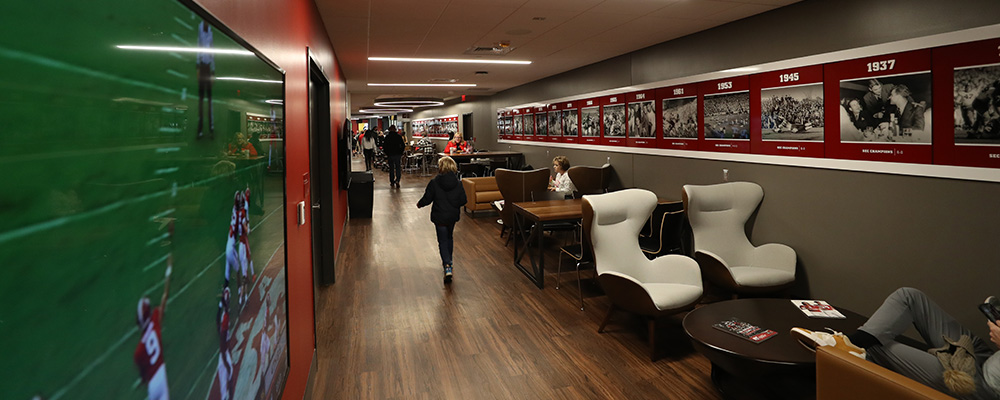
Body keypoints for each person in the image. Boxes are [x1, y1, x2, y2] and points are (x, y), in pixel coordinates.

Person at [792, 287, 1000, 399]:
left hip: (984, 388)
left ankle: (847, 347)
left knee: (875, 345)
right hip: (987, 356)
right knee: (909, 296)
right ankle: (849, 344)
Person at [416, 156, 467, 283]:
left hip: (439, 216)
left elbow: (427, 198)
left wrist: (420, 204)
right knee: (449, 238)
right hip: (452, 216)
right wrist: (454, 204)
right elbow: (463, 200)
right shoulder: (458, 183)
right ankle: (450, 261)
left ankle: (447, 265)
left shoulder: (434, 182)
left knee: (442, 240)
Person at [134, 254, 173, 400]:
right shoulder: (155, 318)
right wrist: (168, 271)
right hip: (162, 376)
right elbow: (164, 296)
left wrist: (143, 379)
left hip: (152, 384)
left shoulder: (138, 352)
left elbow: (144, 375)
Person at [196, 20, 214, 139]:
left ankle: (211, 126)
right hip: (202, 66)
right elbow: (198, 47)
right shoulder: (200, 29)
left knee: (209, 100)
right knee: (202, 100)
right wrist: (197, 67)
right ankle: (200, 128)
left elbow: (212, 52)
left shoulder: (211, 32)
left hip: (208, 67)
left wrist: (213, 70)